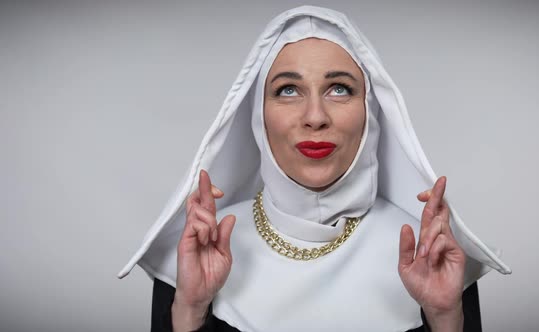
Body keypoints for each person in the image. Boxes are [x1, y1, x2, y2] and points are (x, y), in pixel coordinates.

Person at [118, 6, 511, 332]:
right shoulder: (196, 252)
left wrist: (444, 317)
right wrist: (189, 309)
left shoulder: (429, 253)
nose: (315, 116)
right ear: (258, 116)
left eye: (339, 88)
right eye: (288, 90)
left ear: (370, 113)